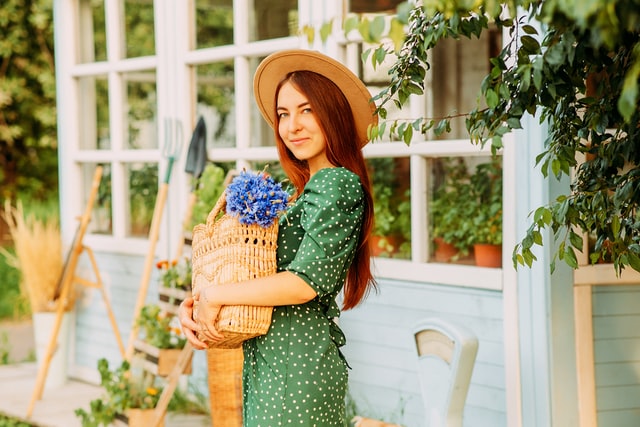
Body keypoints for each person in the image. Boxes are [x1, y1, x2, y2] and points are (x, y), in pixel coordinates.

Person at [179, 49, 379, 426]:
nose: (292, 126)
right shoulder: (301, 191)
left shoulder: (337, 185)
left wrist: (216, 295)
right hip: (271, 362)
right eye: (283, 114)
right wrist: (195, 304)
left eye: (306, 110)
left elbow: (304, 282)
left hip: (298, 368)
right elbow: (256, 273)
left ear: (332, 113)